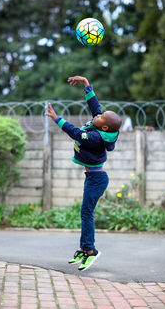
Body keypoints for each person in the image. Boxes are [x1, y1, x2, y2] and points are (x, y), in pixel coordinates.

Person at [45, 76, 122, 271]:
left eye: (100, 117)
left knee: (86, 213)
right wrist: (87, 84)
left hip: (97, 179)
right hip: (93, 177)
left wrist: (57, 119)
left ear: (103, 127)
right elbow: (96, 107)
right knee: (85, 213)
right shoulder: (101, 126)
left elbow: (77, 134)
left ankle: (91, 251)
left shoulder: (95, 137)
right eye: (99, 115)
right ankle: (84, 248)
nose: (97, 115)